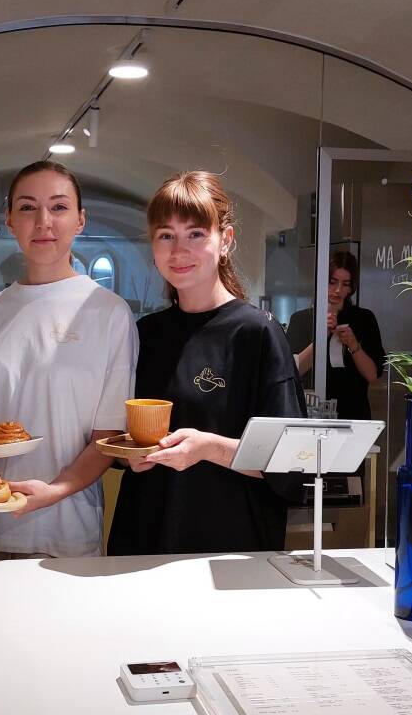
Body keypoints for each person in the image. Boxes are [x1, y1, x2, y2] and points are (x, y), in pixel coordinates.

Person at [0, 161, 138, 559]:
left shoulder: (108, 312)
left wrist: (54, 491)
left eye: (59, 207)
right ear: (10, 221)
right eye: (28, 208)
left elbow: (107, 438)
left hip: (64, 533)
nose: (43, 221)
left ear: (80, 220)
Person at [107, 171, 307, 556]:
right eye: (166, 235)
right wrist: (127, 455)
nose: (178, 250)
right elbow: (118, 439)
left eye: (195, 234)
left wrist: (208, 448)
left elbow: (291, 463)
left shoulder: (257, 334)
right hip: (144, 537)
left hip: (229, 549)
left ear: (225, 240)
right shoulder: (144, 333)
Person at [287, 251, 384, 420]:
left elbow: (372, 375)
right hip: (310, 414)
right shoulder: (301, 320)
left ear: (352, 287)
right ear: (321, 281)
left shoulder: (364, 319)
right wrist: (321, 336)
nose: (338, 290)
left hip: (354, 415)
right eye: (332, 282)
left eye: (345, 284)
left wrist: (354, 345)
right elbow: (293, 372)